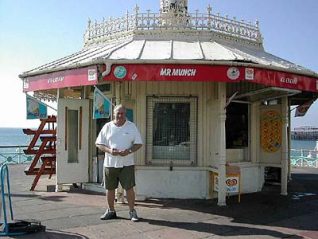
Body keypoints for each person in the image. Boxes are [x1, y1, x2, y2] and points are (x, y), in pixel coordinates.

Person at [96, 104, 143, 221]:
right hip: (110, 163)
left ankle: (132, 212)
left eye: (122, 113)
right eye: (118, 113)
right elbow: (98, 143)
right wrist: (110, 150)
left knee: (129, 188)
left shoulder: (131, 126)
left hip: (127, 163)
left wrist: (129, 151)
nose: (120, 115)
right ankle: (111, 211)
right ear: (113, 113)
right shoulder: (107, 126)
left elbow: (139, 143)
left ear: (125, 114)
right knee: (110, 188)